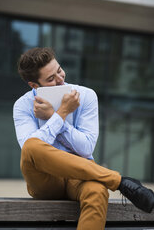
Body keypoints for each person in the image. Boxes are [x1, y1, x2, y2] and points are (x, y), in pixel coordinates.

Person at [13, 47, 154, 230]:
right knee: (31, 146)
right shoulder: (22, 106)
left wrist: (55, 118)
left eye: (59, 70)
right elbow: (31, 151)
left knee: (97, 190)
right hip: (45, 180)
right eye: (51, 79)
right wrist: (61, 114)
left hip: (80, 175)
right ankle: (119, 181)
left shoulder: (86, 95)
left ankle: (115, 183)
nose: (61, 79)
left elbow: (86, 148)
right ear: (34, 85)